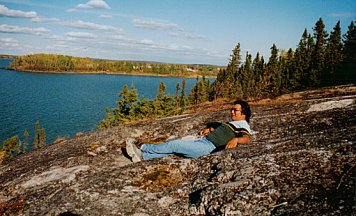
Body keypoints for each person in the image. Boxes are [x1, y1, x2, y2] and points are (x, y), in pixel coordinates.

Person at [126, 100, 252, 162]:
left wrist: (236, 139)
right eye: (232, 109)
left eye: (235, 110)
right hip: (202, 141)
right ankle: (145, 157)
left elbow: (247, 138)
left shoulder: (243, 124)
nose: (232, 111)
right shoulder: (233, 123)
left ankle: (143, 148)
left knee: (174, 144)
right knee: (174, 151)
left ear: (244, 113)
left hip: (206, 148)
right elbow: (224, 131)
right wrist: (210, 129)